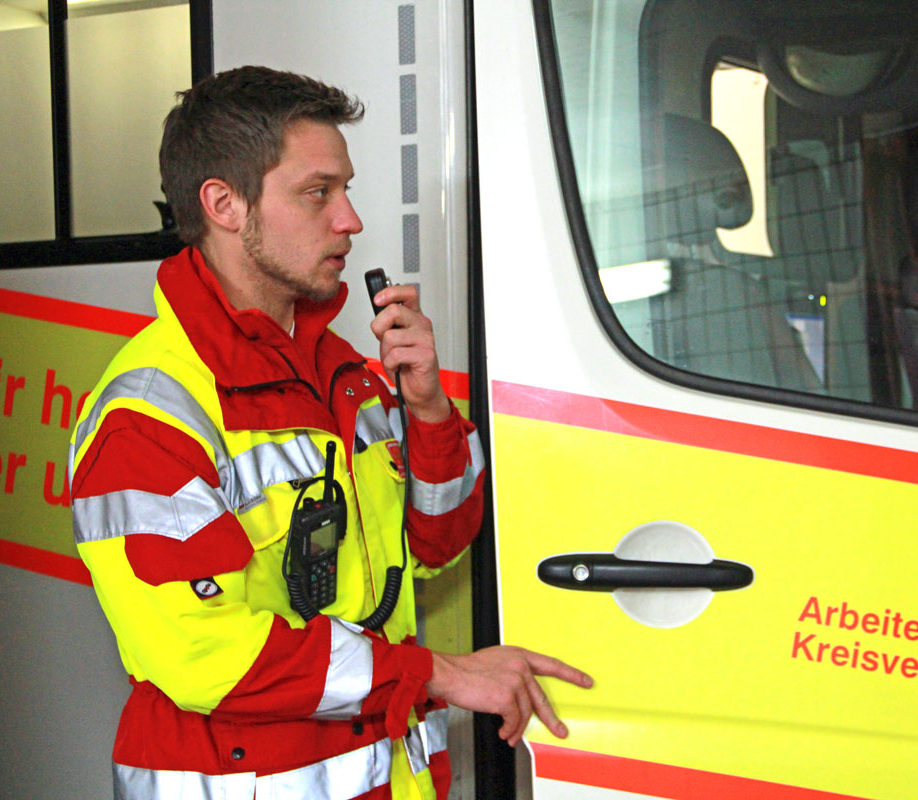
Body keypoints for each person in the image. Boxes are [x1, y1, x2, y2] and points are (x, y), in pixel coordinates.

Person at [69, 65, 591, 800]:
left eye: (345, 190)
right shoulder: (148, 414)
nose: (349, 219)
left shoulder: (345, 373)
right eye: (318, 193)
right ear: (223, 203)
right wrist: (440, 673)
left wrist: (430, 411)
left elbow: (435, 548)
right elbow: (208, 653)